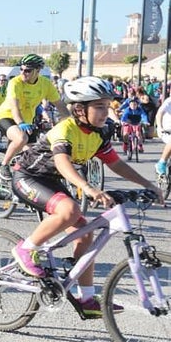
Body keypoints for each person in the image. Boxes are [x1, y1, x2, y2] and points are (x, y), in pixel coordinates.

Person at [9, 77, 162, 315]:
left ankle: (87, 299)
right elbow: (61, 162)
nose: (106, 111)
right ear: (80, 109)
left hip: (51, 181)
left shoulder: (98, 133)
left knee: (85, 234)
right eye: (99, 106)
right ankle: (26, 249)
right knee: (70, 210)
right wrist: (88, 188)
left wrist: (148, 184)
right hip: (27, 177)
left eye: (108, 105)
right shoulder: (65, 129)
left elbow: (116, 164)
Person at [0, 54, 68, 178]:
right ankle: (3, 165)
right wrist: (20, 123)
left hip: (26, 121)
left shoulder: (45, 84)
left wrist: (71, 122)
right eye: (21, 69)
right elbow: (14, 107)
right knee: (21, 138)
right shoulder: (15, 82)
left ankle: (18, 178)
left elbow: (60, 105)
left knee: (34, 155)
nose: (23, 73)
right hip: (5, 116)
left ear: (37, 71)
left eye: (27, 70)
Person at [154, 93, 171, 176]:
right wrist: (160, 127)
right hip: (166, 131)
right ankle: (161, 163)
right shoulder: (169, 101)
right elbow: (159, 113)